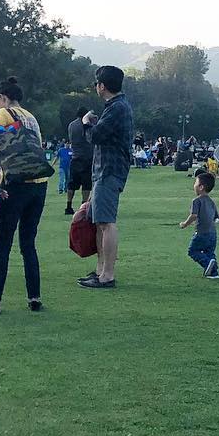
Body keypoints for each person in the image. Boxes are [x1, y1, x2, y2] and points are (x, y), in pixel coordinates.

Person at [0, 76, 50, 314]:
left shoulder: (4, 114)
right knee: (28, 244)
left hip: (15, 187)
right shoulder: (31, 118)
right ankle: (34, 298)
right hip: (39, 185)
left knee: (3, 243)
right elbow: (23, 154)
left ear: (1, 97)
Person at [80, 65, 134, 289]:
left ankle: (107, 275)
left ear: (102, 86)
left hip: (109, 171)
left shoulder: (116, 108)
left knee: (106, 223)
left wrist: (85, 124)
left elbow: (96, 136)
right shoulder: (116, 107)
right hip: (104, 171)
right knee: (99, 222)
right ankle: (101, 270)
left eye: (96, 83)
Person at [179, 171, 219, 279]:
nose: (194, 186)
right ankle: (214, 273)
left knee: (193, 251)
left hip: (202, 233)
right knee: (209, 252)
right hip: (213, 233)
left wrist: (185, 224)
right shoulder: (211, 201)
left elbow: (193, 215)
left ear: (201, 187)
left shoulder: (196, 201)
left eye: (195, 183)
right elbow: (216, 216)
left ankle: (207, 264)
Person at [65, 106, 95, 215]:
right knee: (86, 184)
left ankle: (68, 205)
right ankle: (84, 206)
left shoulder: (71, 125)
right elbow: (92, 136)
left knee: (72, 183)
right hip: (87, 157)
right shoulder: (86, 124)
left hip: (75, 157)